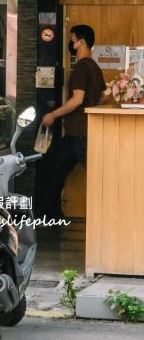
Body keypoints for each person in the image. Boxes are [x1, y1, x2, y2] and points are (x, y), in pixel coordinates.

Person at [38, 24, 107, 220]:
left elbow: (77, 99)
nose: (71, 43)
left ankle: (105, 213)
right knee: (56, 171)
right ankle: (48, 215)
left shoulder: (81, 68)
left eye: (73, 39)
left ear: (81, 42)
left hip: (78, 133)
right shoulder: (94, 67)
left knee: (90, 174)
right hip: (81, 132)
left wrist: (54, 115)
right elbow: (102, 97)